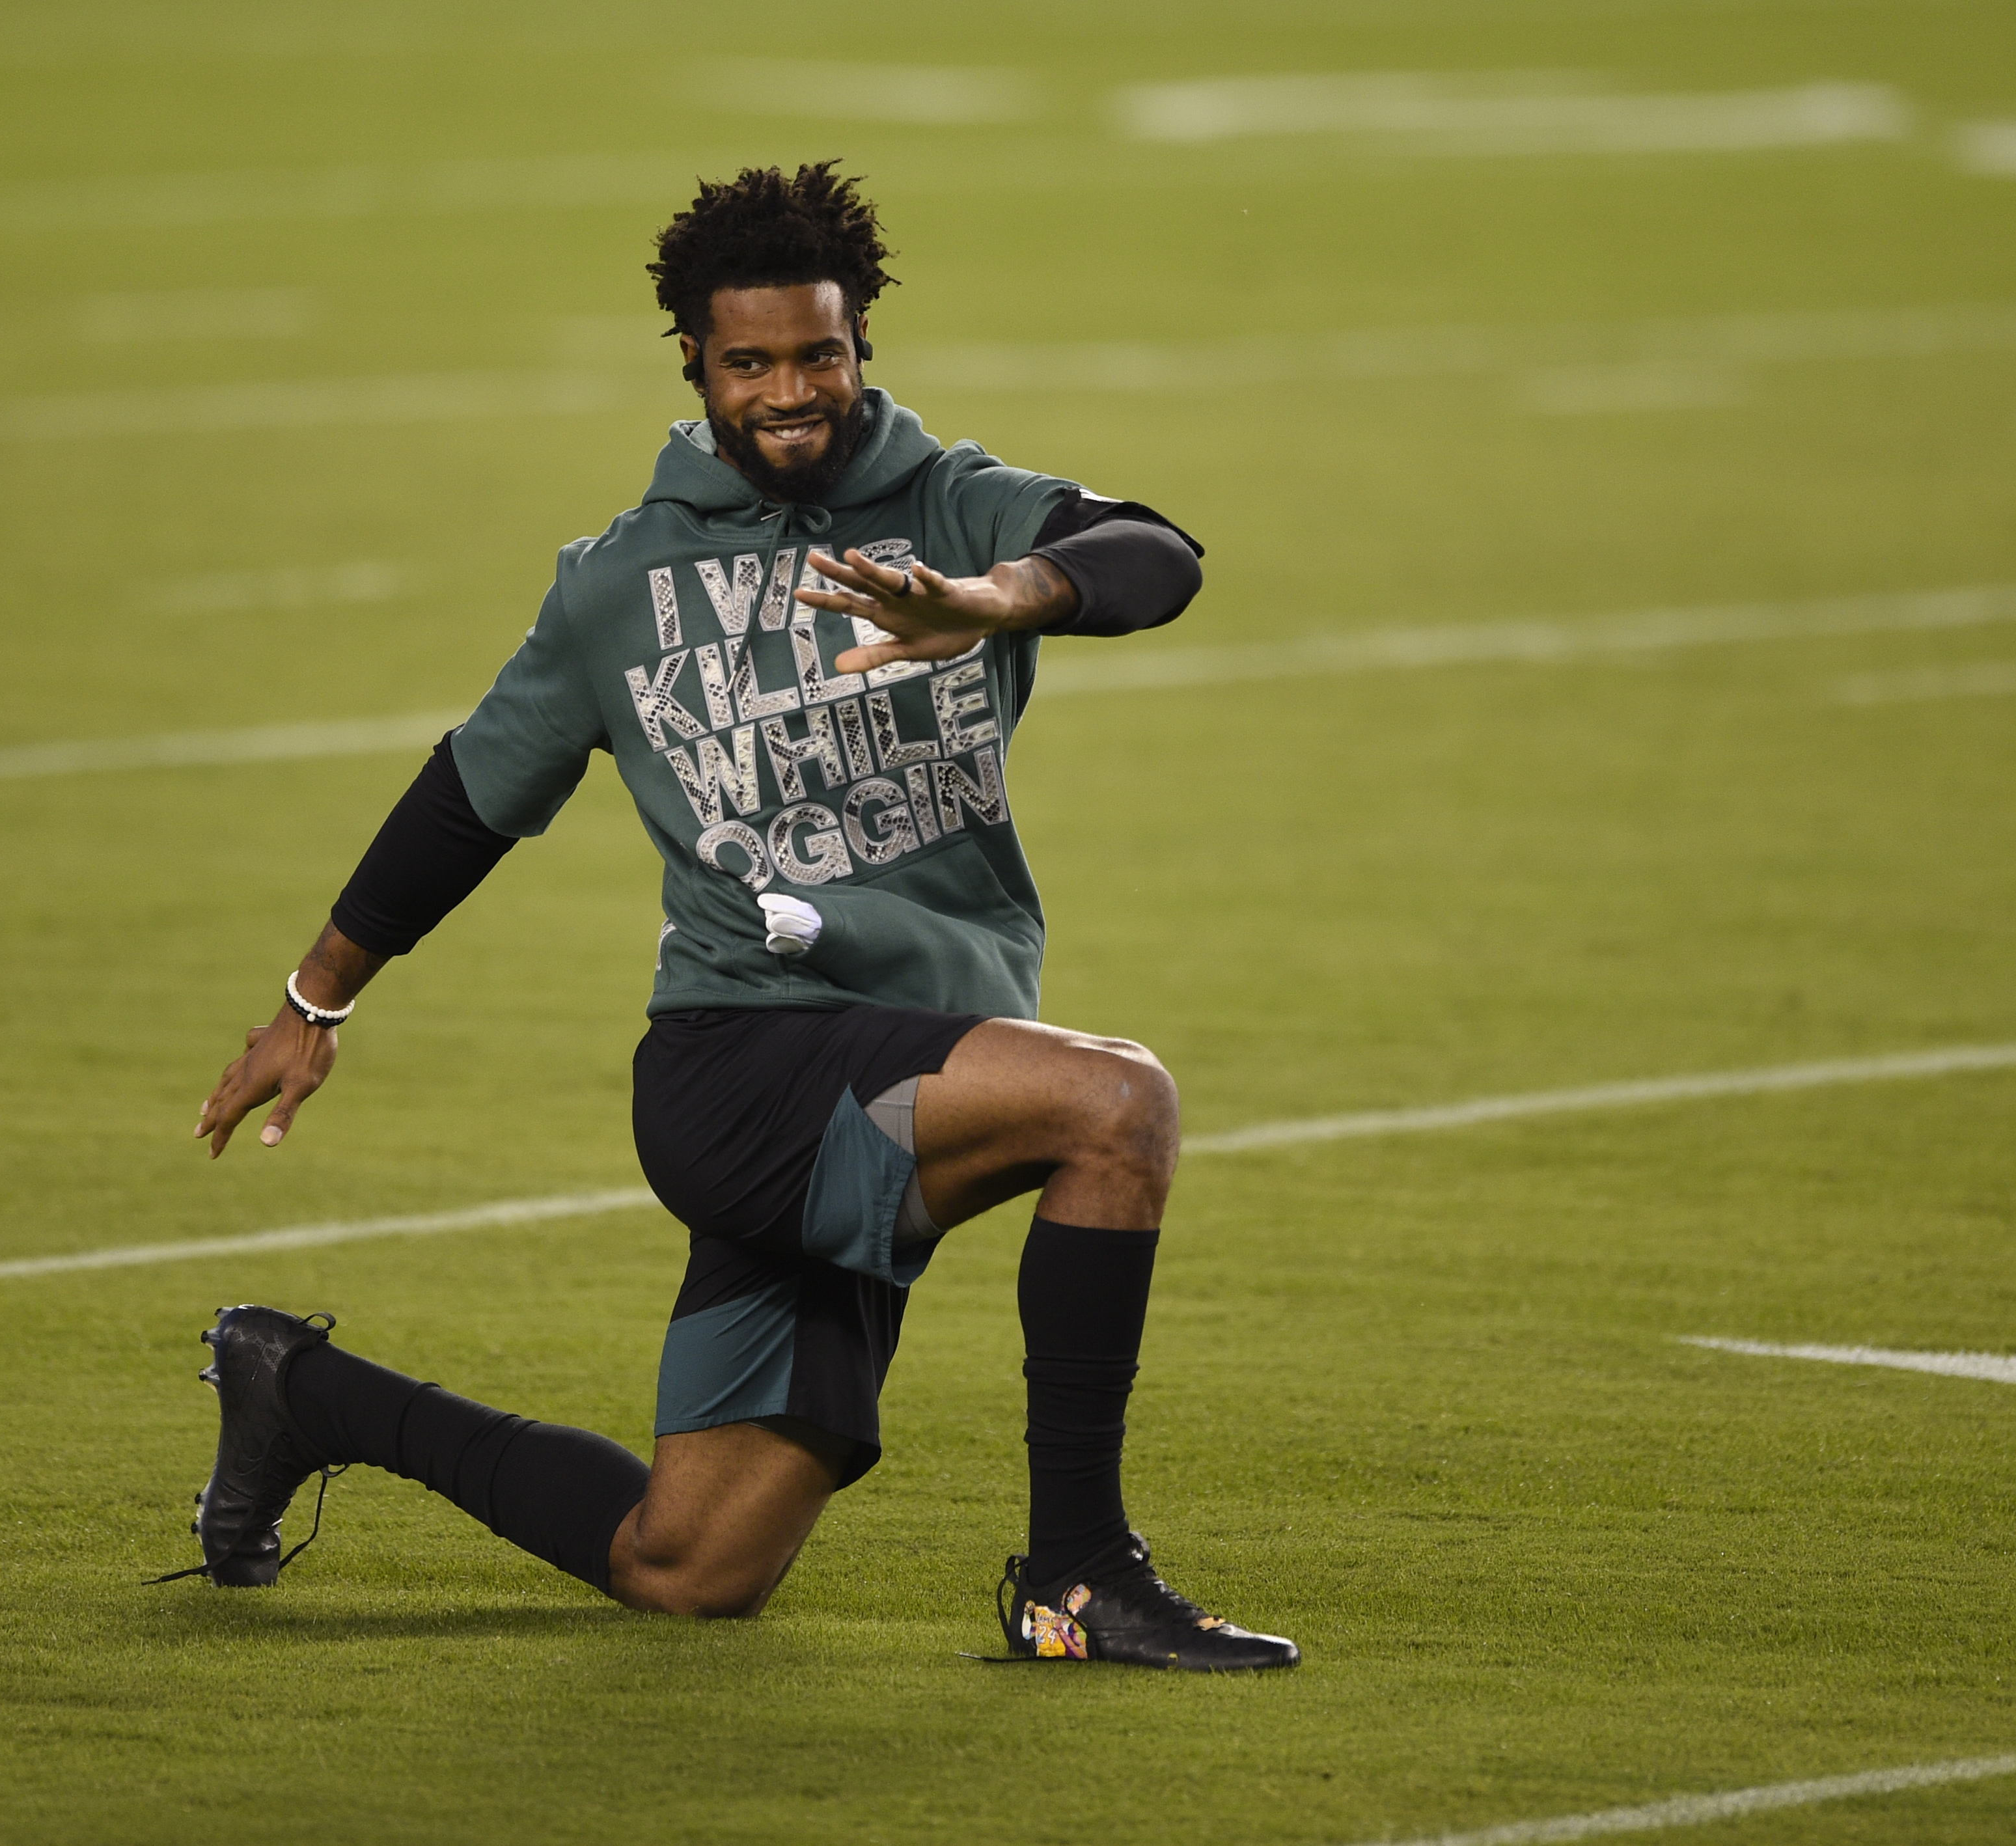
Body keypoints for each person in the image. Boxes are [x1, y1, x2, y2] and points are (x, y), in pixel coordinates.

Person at [175, 162, 1297, 1672]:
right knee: (1117, 1107)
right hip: (741, 1065)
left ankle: (304, 1388)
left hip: (899, 1059)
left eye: (818, 355)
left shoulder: (952, 503)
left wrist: (1002, 595)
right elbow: (469, 798)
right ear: (696, 365)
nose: (789, 392)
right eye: (750, 362)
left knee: (690, 1565)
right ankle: (1079, 1579)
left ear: (860, 347)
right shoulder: (617, 584)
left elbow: (1158, 553)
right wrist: (314, 1003)